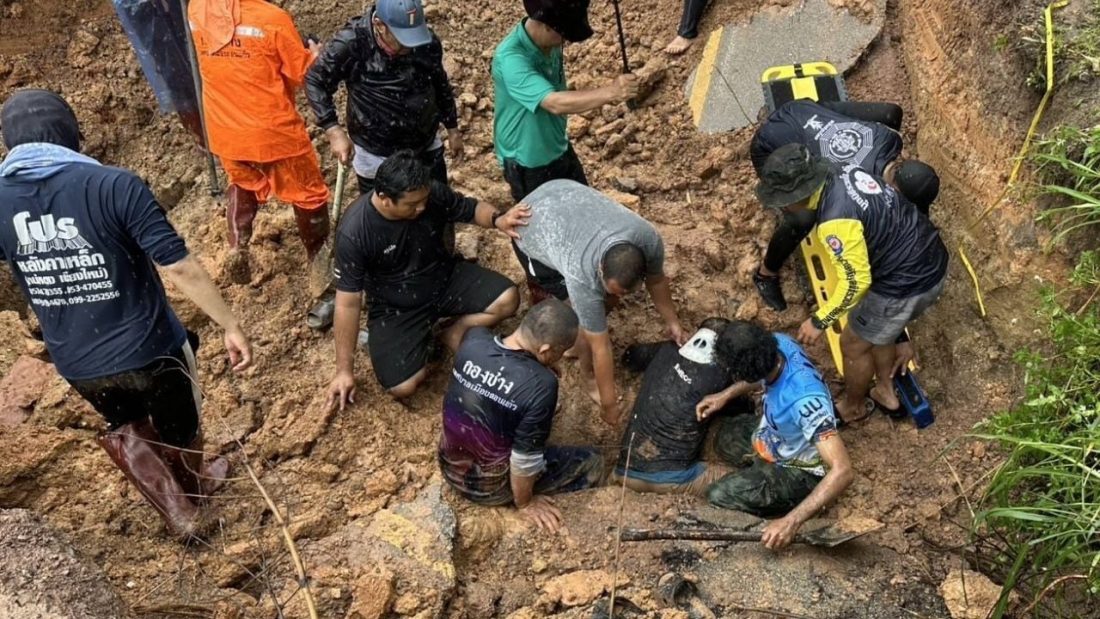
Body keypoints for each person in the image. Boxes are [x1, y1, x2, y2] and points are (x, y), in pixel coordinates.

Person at [0, 90, 253, 540]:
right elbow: (176, 264)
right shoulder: (114, 185)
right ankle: (191, 491)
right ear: (70, 133)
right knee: (181, 424)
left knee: (127, 424)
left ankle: (178, 508)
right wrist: (230, 324)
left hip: (78, 361)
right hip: (150, 348)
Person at [755, 144, 949, 424]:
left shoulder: (835, 223)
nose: (783, 206)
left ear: (798, 194)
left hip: (907, 283)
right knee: (874, 330)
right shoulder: (841, 170)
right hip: (927, 254)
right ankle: (886, 390)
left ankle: (853, 406)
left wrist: (820, 320)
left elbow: (856, 282)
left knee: (853, 343)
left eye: (783, 200)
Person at [325, 151, 528, 405]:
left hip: (444, 278)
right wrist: (344, 370)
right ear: (385, 199)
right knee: (402, 386)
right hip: (396, 306)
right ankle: (421, 340)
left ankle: (453, 331)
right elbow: (348, 303)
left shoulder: (429, 194)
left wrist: (499, 219)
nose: (421, 207)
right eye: (412, 204)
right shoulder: (356, 232)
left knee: (508, 299)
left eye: (423, 200)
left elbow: (469, 208)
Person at [513, 179, 685, 425]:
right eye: (609, 288)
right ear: (601, 267)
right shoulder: (581, 274)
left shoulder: (648, 239)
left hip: (563, 195)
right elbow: (600, 346)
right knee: (576, 320)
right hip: (528, 223)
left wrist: (673, 322)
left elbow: (656, 281)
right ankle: (588, 378)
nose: (616, 297)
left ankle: (585, 346)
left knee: (601, 306)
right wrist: (609, 403)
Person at [188, 0, 331, 290]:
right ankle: (319, 264)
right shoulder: (272, 19)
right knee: (308, 195)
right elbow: (306, 74)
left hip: (225, 130)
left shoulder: (197, 9)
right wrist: (316, 54)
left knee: (243, 181)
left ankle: (237, 246)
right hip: (273, 133)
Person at [750, 99, 940, 311]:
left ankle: (823, 115)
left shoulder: (889, 138)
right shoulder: (857, 181)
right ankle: (765, 274)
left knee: (891, 112)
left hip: (799, 110)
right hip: (769, 148)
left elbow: (893, 115)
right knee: (804, 215)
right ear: (895, 190)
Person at [438, 299, 603, 533]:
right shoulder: (541, 386)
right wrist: (525, 503)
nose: (560, 357)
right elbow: (524, 461)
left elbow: (499, 367)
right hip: (486, 487)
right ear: (545, 350)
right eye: (560, 352)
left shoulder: (474, 339)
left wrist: (534, 367)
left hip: (449, 466)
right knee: (593, 461)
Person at [697, 321, 853, 550]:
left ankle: (791, 504)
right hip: (776, 436)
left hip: (800, 469)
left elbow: (843, 470)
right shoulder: (778, 344)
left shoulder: (806, 403)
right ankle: (758, 472)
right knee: (724, 438)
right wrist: (725, 395)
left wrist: (791, 521)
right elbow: (758, 376)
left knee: (718, 495)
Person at [306, 0, 461, 196]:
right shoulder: (353, 43)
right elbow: (315, 80)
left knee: (437, 203)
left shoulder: (425, 43)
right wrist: (333, 129)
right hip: (375, 150)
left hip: (424, 141)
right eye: (402, 39)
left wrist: (452, 128)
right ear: (380, 25)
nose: (410, 46)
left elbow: (440, 82)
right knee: (384, 210)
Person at [492, 0, 639, 203]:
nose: (565, 41)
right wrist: (612, 92)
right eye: (563, 34)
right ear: (546, 26)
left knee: (584, 208)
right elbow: (554, 103)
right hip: (527, 163)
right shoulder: (511, 59)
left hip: (558, 147)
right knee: (541, 221)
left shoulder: (548, 42)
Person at [613, 318, 756, 495]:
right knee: (752, 484)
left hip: (624, 474)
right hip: (675, 480)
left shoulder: (665, 349)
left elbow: (629, 357)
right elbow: (743, 407)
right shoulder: (719, 374)